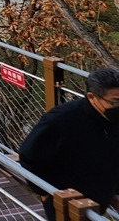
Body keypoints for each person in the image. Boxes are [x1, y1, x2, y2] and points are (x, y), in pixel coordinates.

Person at [19, 66, 119, 220]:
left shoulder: (113, 118)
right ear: (92, 97)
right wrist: (44, 192)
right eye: (115, 102)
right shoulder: (62, 119)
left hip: (101, 196)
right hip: (67, 202)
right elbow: (29, 155)